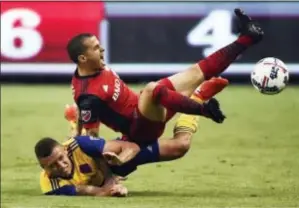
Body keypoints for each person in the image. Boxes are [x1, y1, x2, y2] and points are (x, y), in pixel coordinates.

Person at [68, 8, 263, 144]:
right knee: (153, 89)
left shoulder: (92, 71)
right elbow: (92, 138)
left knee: (195, 72)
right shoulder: (89, 95)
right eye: (95, 48)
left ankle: (247, 38)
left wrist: (75, 130)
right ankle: (204, 109)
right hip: (139, 128)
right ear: (83, 58)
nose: (101, 48)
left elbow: (80, 108)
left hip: (145, 110)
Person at [36, 79, 227, 196]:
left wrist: (116, 171)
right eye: (52, 166)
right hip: (100, 165)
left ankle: (197, 97)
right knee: (81, 146)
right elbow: (90, 191)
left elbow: (133, 147)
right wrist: (111, 190)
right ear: (43, 168)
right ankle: (73, 120)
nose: (60, 166)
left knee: (180, 145)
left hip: (118, 158)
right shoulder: (51, 185)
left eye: (60, 159)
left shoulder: (80, 146)